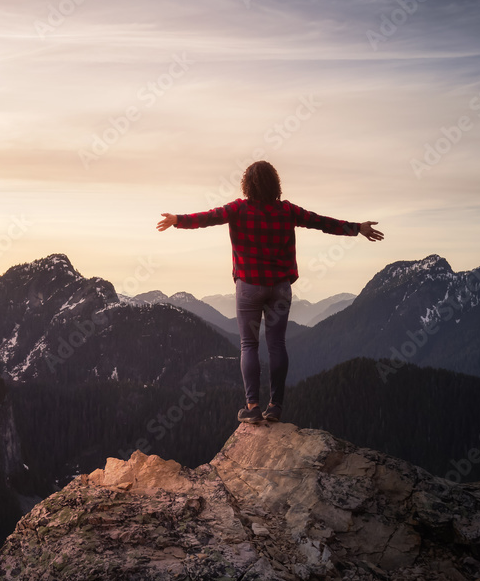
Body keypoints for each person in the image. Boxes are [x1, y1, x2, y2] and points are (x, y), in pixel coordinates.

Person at [157, 161, 384, 424]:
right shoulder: (287, 211)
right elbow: (322, 222)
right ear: (275, 183)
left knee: (249, 345)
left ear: (247, 184)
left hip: (249, 287)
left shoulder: (237, 209)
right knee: (276, 344)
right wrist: (357, 228)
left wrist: (178, 221)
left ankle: (252, 406)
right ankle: (275, 406)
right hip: (279, 288)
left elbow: (208, 217)